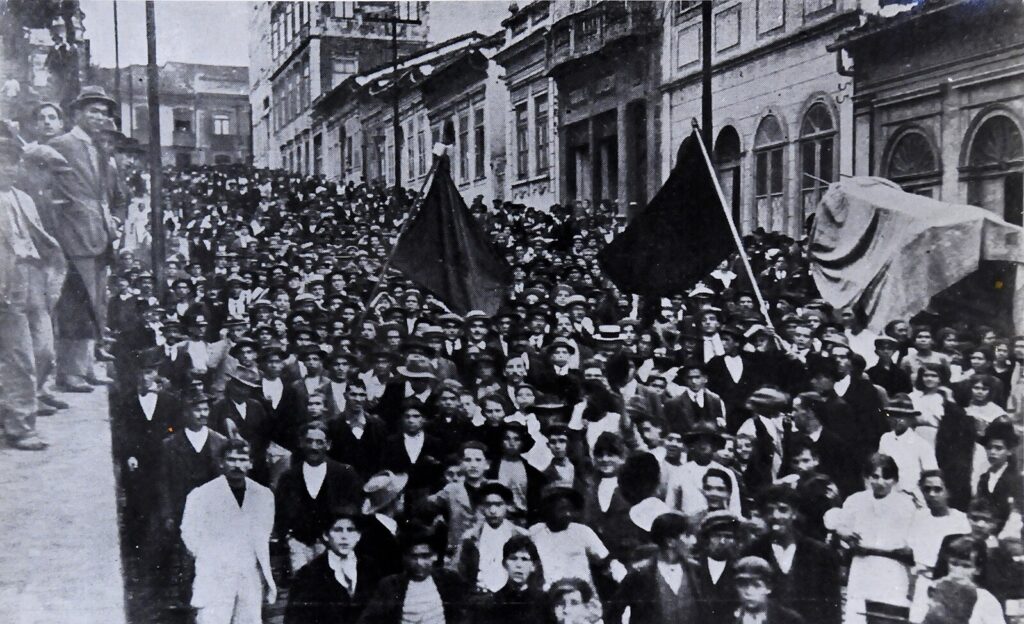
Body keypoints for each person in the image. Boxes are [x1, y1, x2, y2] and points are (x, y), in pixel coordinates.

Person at [47, 85, 120, 391]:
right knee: (76, 305)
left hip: (100, 235)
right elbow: (45, 185)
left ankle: (87, 366)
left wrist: (110, 222)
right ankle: (69, 372)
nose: (99, 117)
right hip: (74, 236)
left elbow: (105, 193)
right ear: (78, 113)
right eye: (93, 111)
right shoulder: (61, 144)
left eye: (103, 113)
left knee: (97, 303)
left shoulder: (97, 148)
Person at [0, 133, 66, 449]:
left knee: (43, 350)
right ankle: (20, 426)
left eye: (13, 162)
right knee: (19, 356)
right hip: (6, 282)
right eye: (2, 162)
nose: (8, 168)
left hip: (33, 278)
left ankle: (12, 409)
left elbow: (41, 240)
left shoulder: (24, 199)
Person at [180, 439, 277, 624]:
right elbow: (189, 533)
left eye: (242, 459)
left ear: (250, 463)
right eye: (231, 459)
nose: (237, 465)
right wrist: (212, 557)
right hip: (215, 574)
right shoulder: (201, 495)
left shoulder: (263, 495)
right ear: (221, 463)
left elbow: (264, 531)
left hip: (249, 574)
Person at [824, 453, 916, 624]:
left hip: (892, 569)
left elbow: (911, 543)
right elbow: (836, 522)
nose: (880, 482)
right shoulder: (856, 500)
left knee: (888, 616)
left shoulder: (906, 505)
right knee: (858, 616)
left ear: (895, 480)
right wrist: (844, 532)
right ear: (866, 478)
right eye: (875, 476)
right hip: (862, 566)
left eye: (887, 477)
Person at [743, 485, 842, 624]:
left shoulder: (820, 553)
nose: (776, 516)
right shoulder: (753, 552)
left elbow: (832, 608)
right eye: (769, 510)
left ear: (794, 513)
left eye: (783, 509)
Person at [275, 421, 364, 574]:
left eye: (319, 442)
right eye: (309, 441)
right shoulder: (288, 477)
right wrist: (289, 538)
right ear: (301, 443)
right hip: (299, 545)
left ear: (328, 445)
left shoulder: (345, 474)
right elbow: (280, 511)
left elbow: (355, 508)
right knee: (301, 583)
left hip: (333, 545)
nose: (314, 447)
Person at [285, 505, 382, 624]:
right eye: (337, 530)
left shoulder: (371, 568)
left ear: (358, 536)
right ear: (326, 535)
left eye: (351, 530)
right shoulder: (309, 573)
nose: (344, 537)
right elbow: (295, 618)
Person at [358, 525, 467, 624]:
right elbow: (368, 619)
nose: (419, 563)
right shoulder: (390, 585)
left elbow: (466, 612)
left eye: (425, 556)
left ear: (435, 556)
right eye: (413, 557)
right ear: (404, 557)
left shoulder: (449, 580)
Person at [607, 511, 702, 624]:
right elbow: (613, 613)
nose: (694, 541)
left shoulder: (696, 570)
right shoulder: (640, 573)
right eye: (687, 536)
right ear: (670, 542)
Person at [452, 481, 529, 592]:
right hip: (480, 593)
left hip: (511, 594)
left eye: (498, 505)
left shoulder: (520, 535)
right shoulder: (470, 537)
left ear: (507, 506)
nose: (493, 511)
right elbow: (459, 571)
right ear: (482, 507)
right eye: (488, 505)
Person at [471, 534, 547, 624]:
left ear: (533, 566)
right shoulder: (493, 603)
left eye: (524, 559)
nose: (518, 565)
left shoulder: (543, 603)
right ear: (504, 564)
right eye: (513, 558)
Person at [729, 556, 805, 624]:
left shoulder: (790, 620)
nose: (748, 592)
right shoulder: (727, 618)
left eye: (757, 585)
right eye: (743, 585)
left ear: (768, 588)